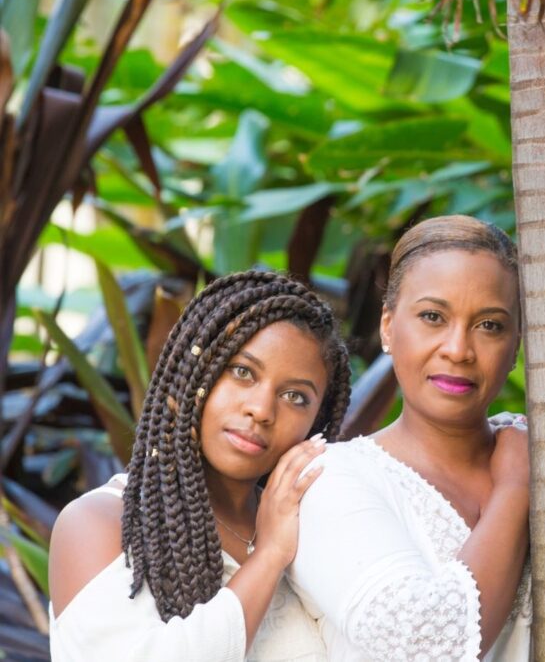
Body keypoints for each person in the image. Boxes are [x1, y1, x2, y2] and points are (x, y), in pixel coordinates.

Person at [48, 270, 353, 661]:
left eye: (295, 396)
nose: (260, 410)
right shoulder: (98, 522)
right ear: (193, 374)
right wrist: (270, 554)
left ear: (317, 419)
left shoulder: (312, 527)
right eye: (242, 372)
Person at [290, 216, 531, 661]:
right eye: (433, 317)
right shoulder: (333, 479)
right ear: (387, 326)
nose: (458, 349)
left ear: (517, 344)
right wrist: (516, 489)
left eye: (490, 325)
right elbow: (428, 648)